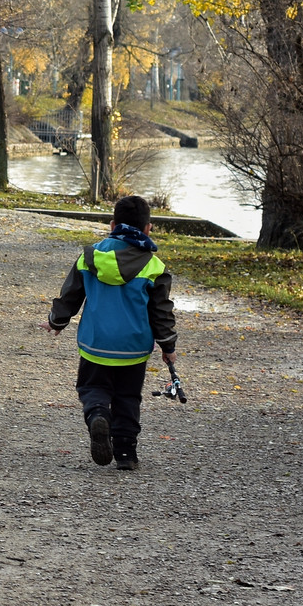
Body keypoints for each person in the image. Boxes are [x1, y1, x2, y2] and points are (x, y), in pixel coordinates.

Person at [41, 195, 177, 471]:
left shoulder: (90, 257)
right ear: (148, 228)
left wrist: (57, 321)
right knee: (128, 396)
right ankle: (126, 453)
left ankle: (98, 416)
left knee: (92, 388)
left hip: (96, 343)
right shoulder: (154, 267)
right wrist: (167, 345)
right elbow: (161, 312)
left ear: (112, 224)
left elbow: (71, 295)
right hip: (134, 347)